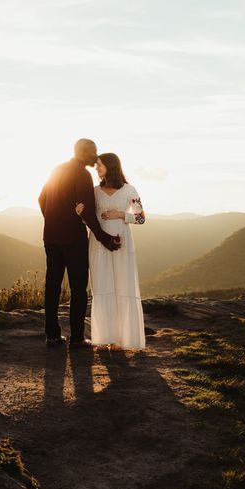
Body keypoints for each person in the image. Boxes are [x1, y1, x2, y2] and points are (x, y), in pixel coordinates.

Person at [38, 139, 121, 348]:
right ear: (83, 152)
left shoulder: (57, 169)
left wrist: (51, 218)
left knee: (53, 286)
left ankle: (52, 336)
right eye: (93, 152)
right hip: (73, 239)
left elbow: (41, 198)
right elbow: (87, 212)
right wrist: (104, 238)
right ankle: (76, 338)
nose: (96, 156)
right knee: (78, 288)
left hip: (50, 237)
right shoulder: (82, 174)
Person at [76, 153, 146, 350]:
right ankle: (106, 336)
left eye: (99, 165)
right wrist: (80, 214)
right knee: (102, 287)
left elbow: (141, 218)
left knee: (122, 286)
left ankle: (121, 339)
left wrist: (121, 214)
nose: (96, 168)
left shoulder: (129, 189)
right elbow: (90, 218)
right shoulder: (94, 191)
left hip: (122, 243)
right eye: (96, 165)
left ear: (111, 166)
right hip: (98, 244)